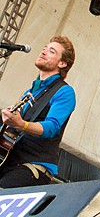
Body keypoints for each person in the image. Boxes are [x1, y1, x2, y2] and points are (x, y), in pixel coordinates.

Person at [0, 35, 76, 188]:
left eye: (51, 51)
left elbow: (51, 127)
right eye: (44, 49)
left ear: (62, 63)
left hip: (34, 166)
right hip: (11, 161)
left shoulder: (65, 92)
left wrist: (22, 124)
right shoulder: (31, 91)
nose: (43, 52)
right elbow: (14, 130)